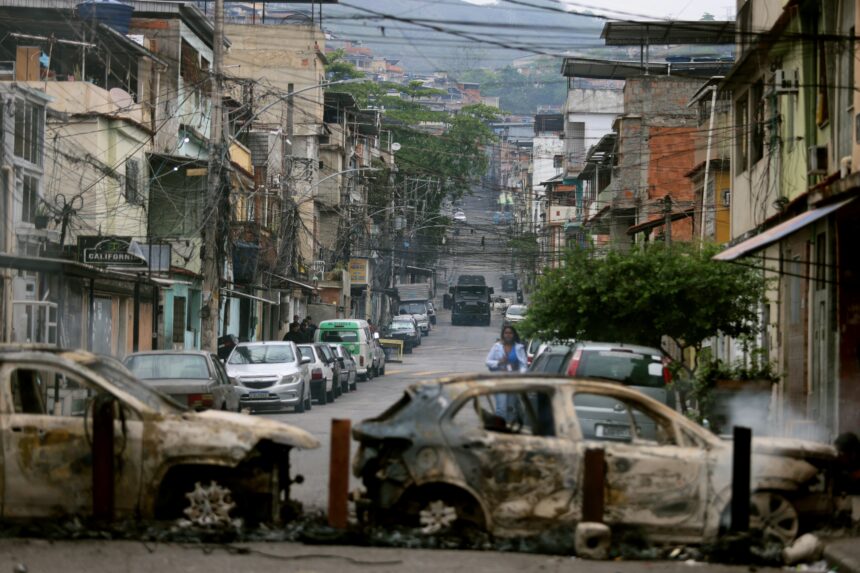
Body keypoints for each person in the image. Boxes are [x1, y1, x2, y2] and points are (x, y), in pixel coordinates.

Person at [485, 325, 528, 422]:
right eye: (506, 333)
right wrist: (499, 362)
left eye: (510, 333)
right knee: (501, 407)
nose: (508, 335)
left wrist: (519, 374)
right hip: (500, 380)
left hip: (513, 380)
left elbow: (524, 365)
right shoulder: (497, 347)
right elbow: (487, 361)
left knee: (511, 407)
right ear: (503, 334)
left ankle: (510, 429)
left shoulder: (519, 348)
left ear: (514, 335)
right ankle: (500, 428)